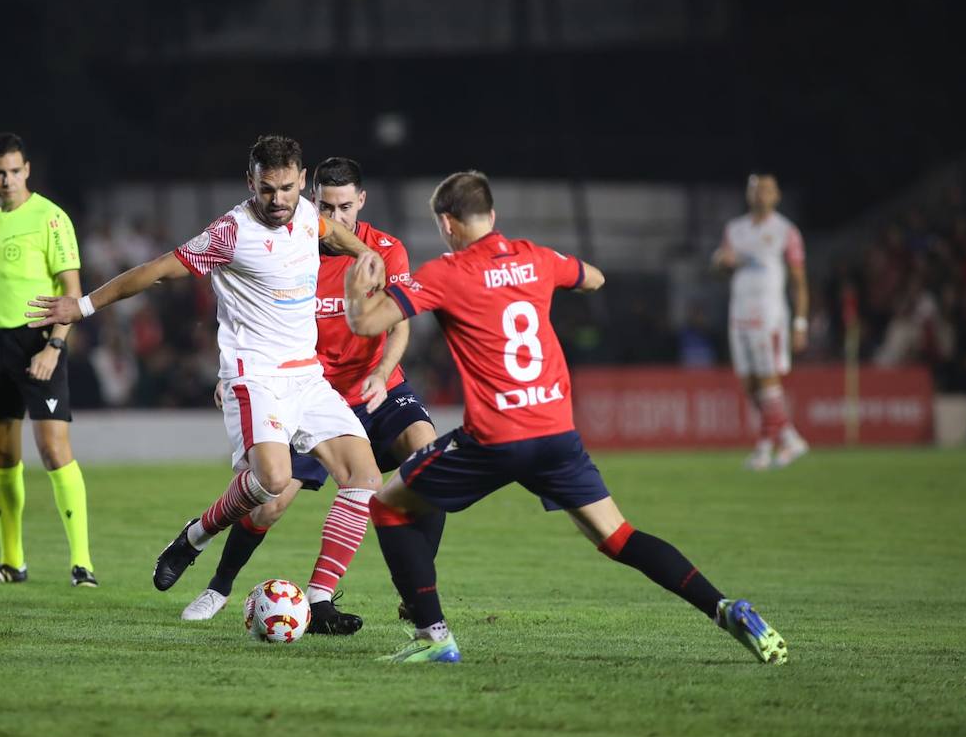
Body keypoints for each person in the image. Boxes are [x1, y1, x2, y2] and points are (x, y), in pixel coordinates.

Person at [343, 171, 788, 665]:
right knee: (618, 536)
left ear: (447, 224)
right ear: (492, 216)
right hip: (556, 432)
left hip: (496, 437)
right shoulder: (535, 257)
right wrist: (548, 276)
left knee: (389, 506)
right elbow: (594, 278)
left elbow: (365, 323)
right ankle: (723, 607)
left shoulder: (447, 272)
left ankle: (434, 637)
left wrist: (355, 286)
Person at [28, 136, 384, 635]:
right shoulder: (230, 233)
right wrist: (83, 306)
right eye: (266, 189)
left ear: (302, 181)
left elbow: (332, 232)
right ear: (250, 182)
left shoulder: (306, 213)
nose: (277, 200)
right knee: (272, 481)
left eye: (286, 188)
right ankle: (194, 536)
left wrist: (368, 254)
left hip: (306, 376)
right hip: (254, 376)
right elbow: (156, 271)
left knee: (365, 479)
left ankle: (319, 599)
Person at [178, 157, 442, 624]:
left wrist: (382, 372)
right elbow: (250, 317)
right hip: (310, 393)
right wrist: (232, 373)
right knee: (271, 502)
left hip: (377, 388)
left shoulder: (383, 251)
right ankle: (219, 586)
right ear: (311, 200)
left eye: (345, 207)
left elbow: (400, 323)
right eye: (326, 207)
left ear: (361, 201)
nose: (336, 217)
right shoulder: (293, 246)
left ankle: (397, 594)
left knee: (429, 461)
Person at [0, 133, 96, 587]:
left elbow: (72, 292)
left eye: (14, 171)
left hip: (38, 339)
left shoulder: (50, 218)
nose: (7, 180)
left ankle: (82, 564)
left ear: (27, 171)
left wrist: (54, 346)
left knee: (53, 450)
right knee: (1, 453)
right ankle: (11, 563)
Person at [712, 174, 810, 469]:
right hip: (739, 313)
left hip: (769, 314)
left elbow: (799, 281)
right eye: (756, 189)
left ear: (777, 195)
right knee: (749, 384)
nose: (760, 194)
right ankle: (787, 437)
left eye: (767, 190)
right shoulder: (734, 229)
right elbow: (720, 267)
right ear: (748, 195)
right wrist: (721, 263)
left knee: (768, 378)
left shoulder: (786, 231)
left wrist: (800, 323)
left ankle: (766, 445)